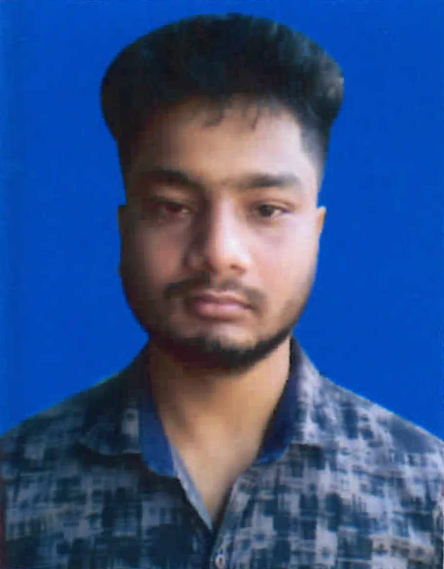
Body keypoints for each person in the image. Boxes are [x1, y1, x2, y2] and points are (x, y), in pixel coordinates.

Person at [1, 12, 443, 569]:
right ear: (125, 228)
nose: (218, 251)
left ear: (316, 232)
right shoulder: (17, 488)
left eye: (267, 209)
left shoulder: (426, 494)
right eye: (172, 207)